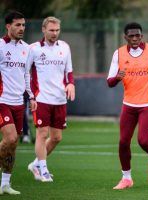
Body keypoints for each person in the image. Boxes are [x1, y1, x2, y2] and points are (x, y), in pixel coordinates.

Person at [107, 22, 148, 189]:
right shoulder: (119, 54)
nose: (135, 38)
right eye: (131, 36)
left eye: (138, 35)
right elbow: (110, 81)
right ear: (125, 37)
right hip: (128, 105)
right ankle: (126, 178)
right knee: (123, 142)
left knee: (143, 140)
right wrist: (117, 78)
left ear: (141, 36)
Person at [26, 16, 75, 182]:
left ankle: (35, 164)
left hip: (60, 99)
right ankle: (44, 170)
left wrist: (71, 85)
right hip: (41, 98)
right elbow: (26, 73)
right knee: (42, 133)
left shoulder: (65, 47)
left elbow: (69, 72)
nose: (54, 33)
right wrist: (31, 95)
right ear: (44, 30)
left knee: (56, 138)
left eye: (57, 30)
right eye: (51, 30)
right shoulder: (33, 49)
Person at [0, 11, 37, 195]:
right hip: (2, 100)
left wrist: (31, 96)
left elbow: (26, 75)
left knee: (13, 145)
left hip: (18, 102)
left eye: (23, 25)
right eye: (17, 25)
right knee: (11, 138)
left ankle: (5, 184)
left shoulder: (27, 49)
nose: (21, 28)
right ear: (8, 26)